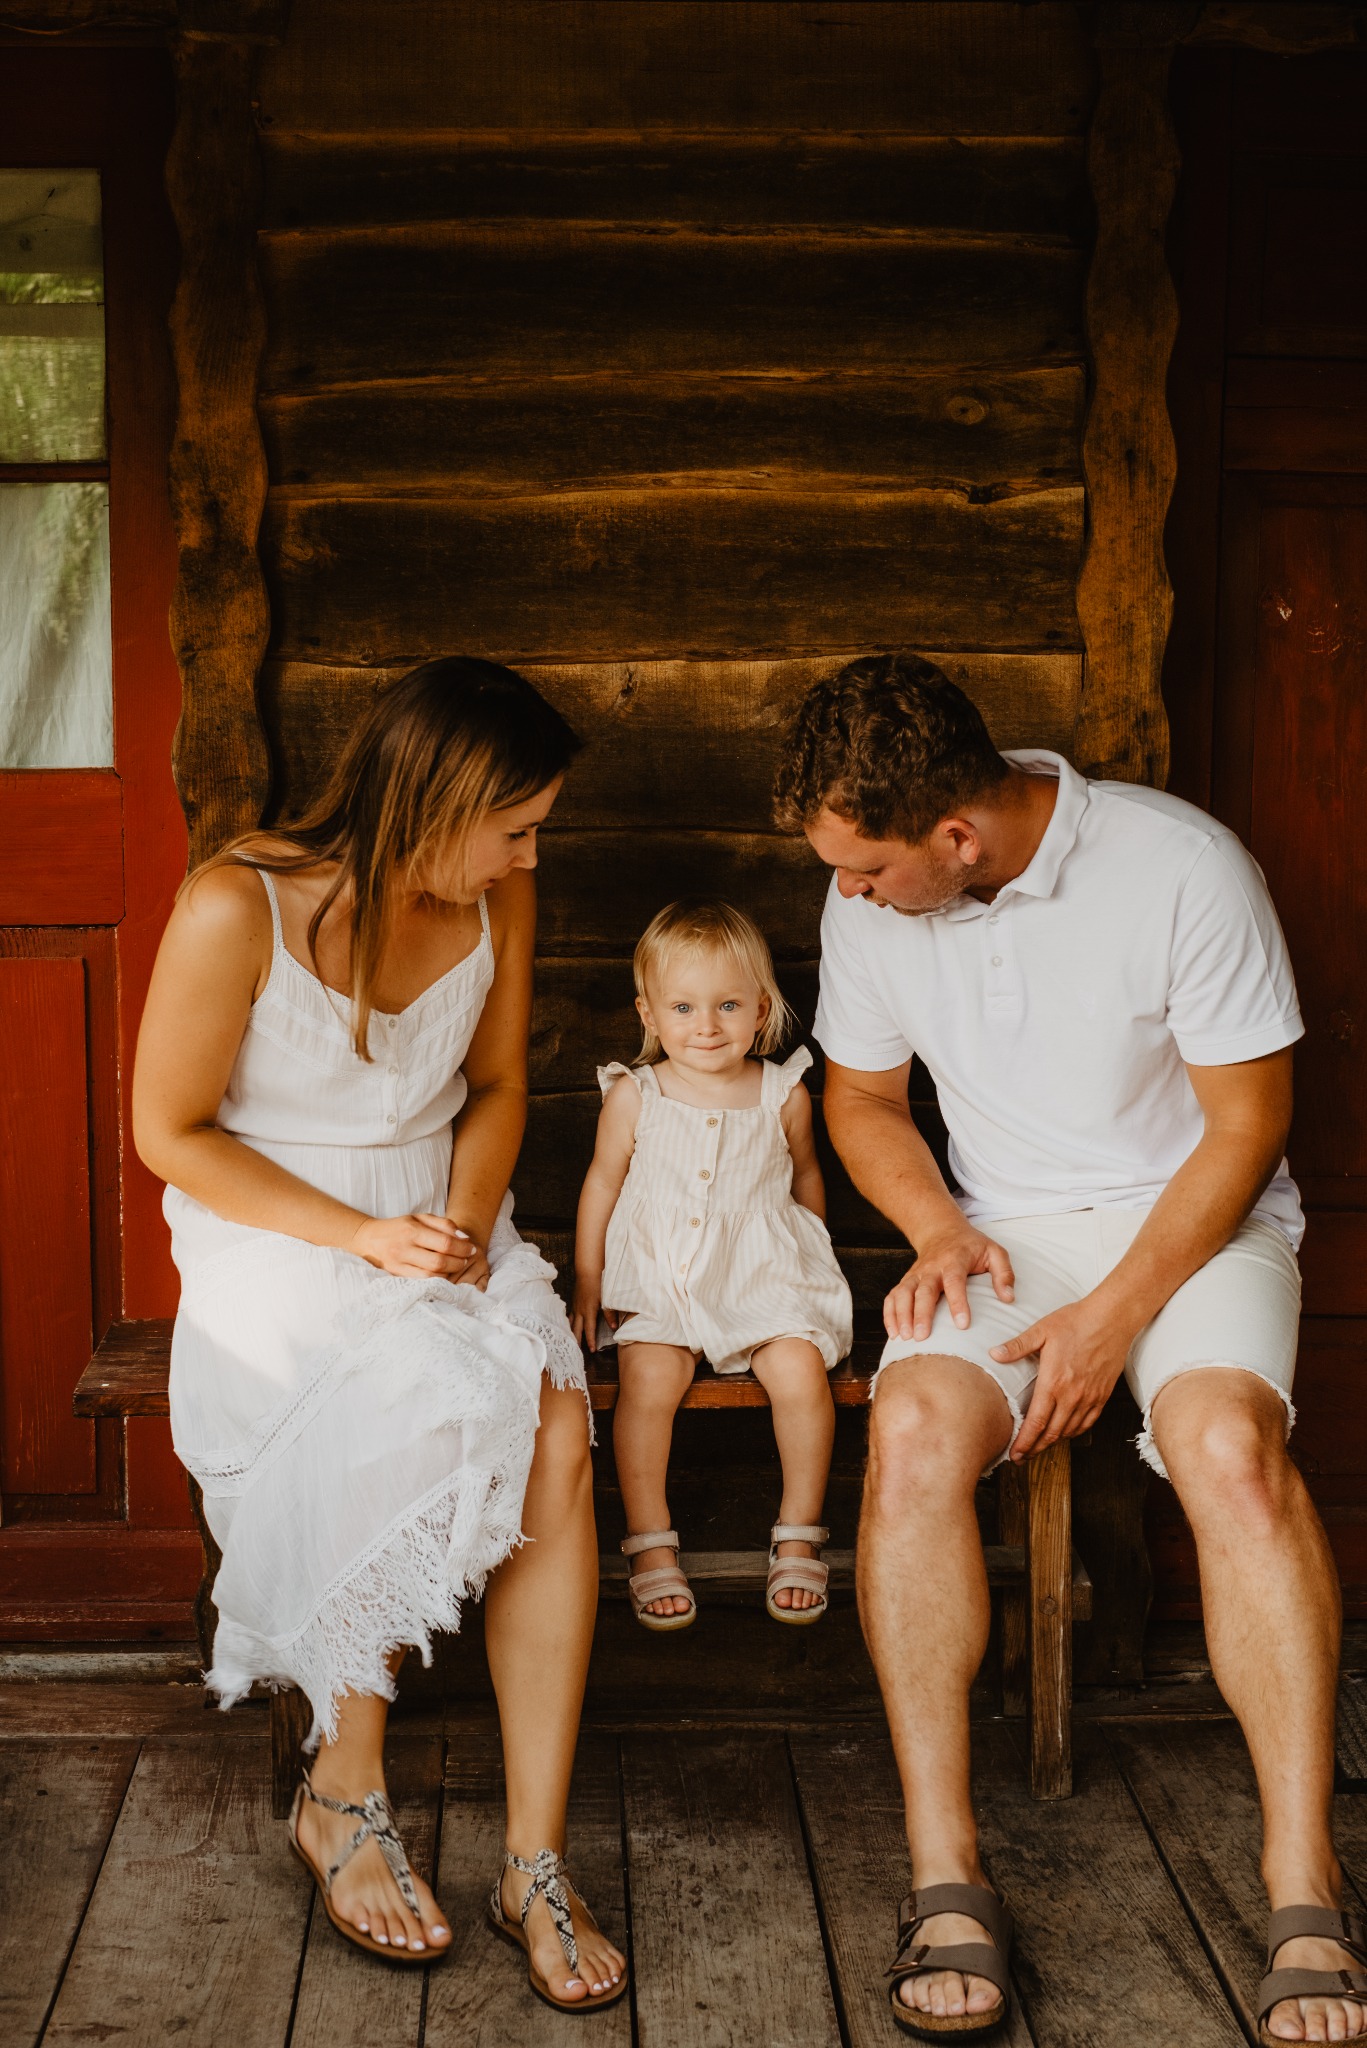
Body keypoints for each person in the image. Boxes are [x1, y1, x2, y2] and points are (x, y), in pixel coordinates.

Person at [773, 654, 1365, 2045]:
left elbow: (1242, 1129)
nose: (845, 895)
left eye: (866, 869)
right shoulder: (866, 893)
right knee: (910, 1430)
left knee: (1225, 1451)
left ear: (955, 839)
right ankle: (943, 1870)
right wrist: (930, 1228)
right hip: (998, 1234)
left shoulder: (1180, 868)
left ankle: (1301, 1880)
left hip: (1195, 1221)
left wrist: (1109, 1323)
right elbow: (861, 1097)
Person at [133, 657, 626, 2011]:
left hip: (436, 1206)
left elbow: (497, 1086)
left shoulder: (496, 895)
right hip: (278, 1228)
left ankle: (533, 1854)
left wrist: (462, 1223)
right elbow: (168, 1134)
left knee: (557, 1430)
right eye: (514, 825)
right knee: (405, 1394)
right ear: (440, 800)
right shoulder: (236, 904)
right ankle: (342, 1795)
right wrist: (361, 1241)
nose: (531, 853)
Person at [571, 899, 852, 1629]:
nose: (706, 1026)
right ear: (649, 1014)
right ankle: (651, 1542)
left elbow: (805, 1177)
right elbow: (601, 1183)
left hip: (761, 1274)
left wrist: (810, 1256)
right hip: (661, 1275)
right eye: (684, 1007)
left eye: (728, 1005)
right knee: (648, 1381)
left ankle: (797, 1529)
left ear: (761, 1010)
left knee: (798, 1370)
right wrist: (590, 1278)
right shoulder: (638, 1094)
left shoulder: (780, 1092)